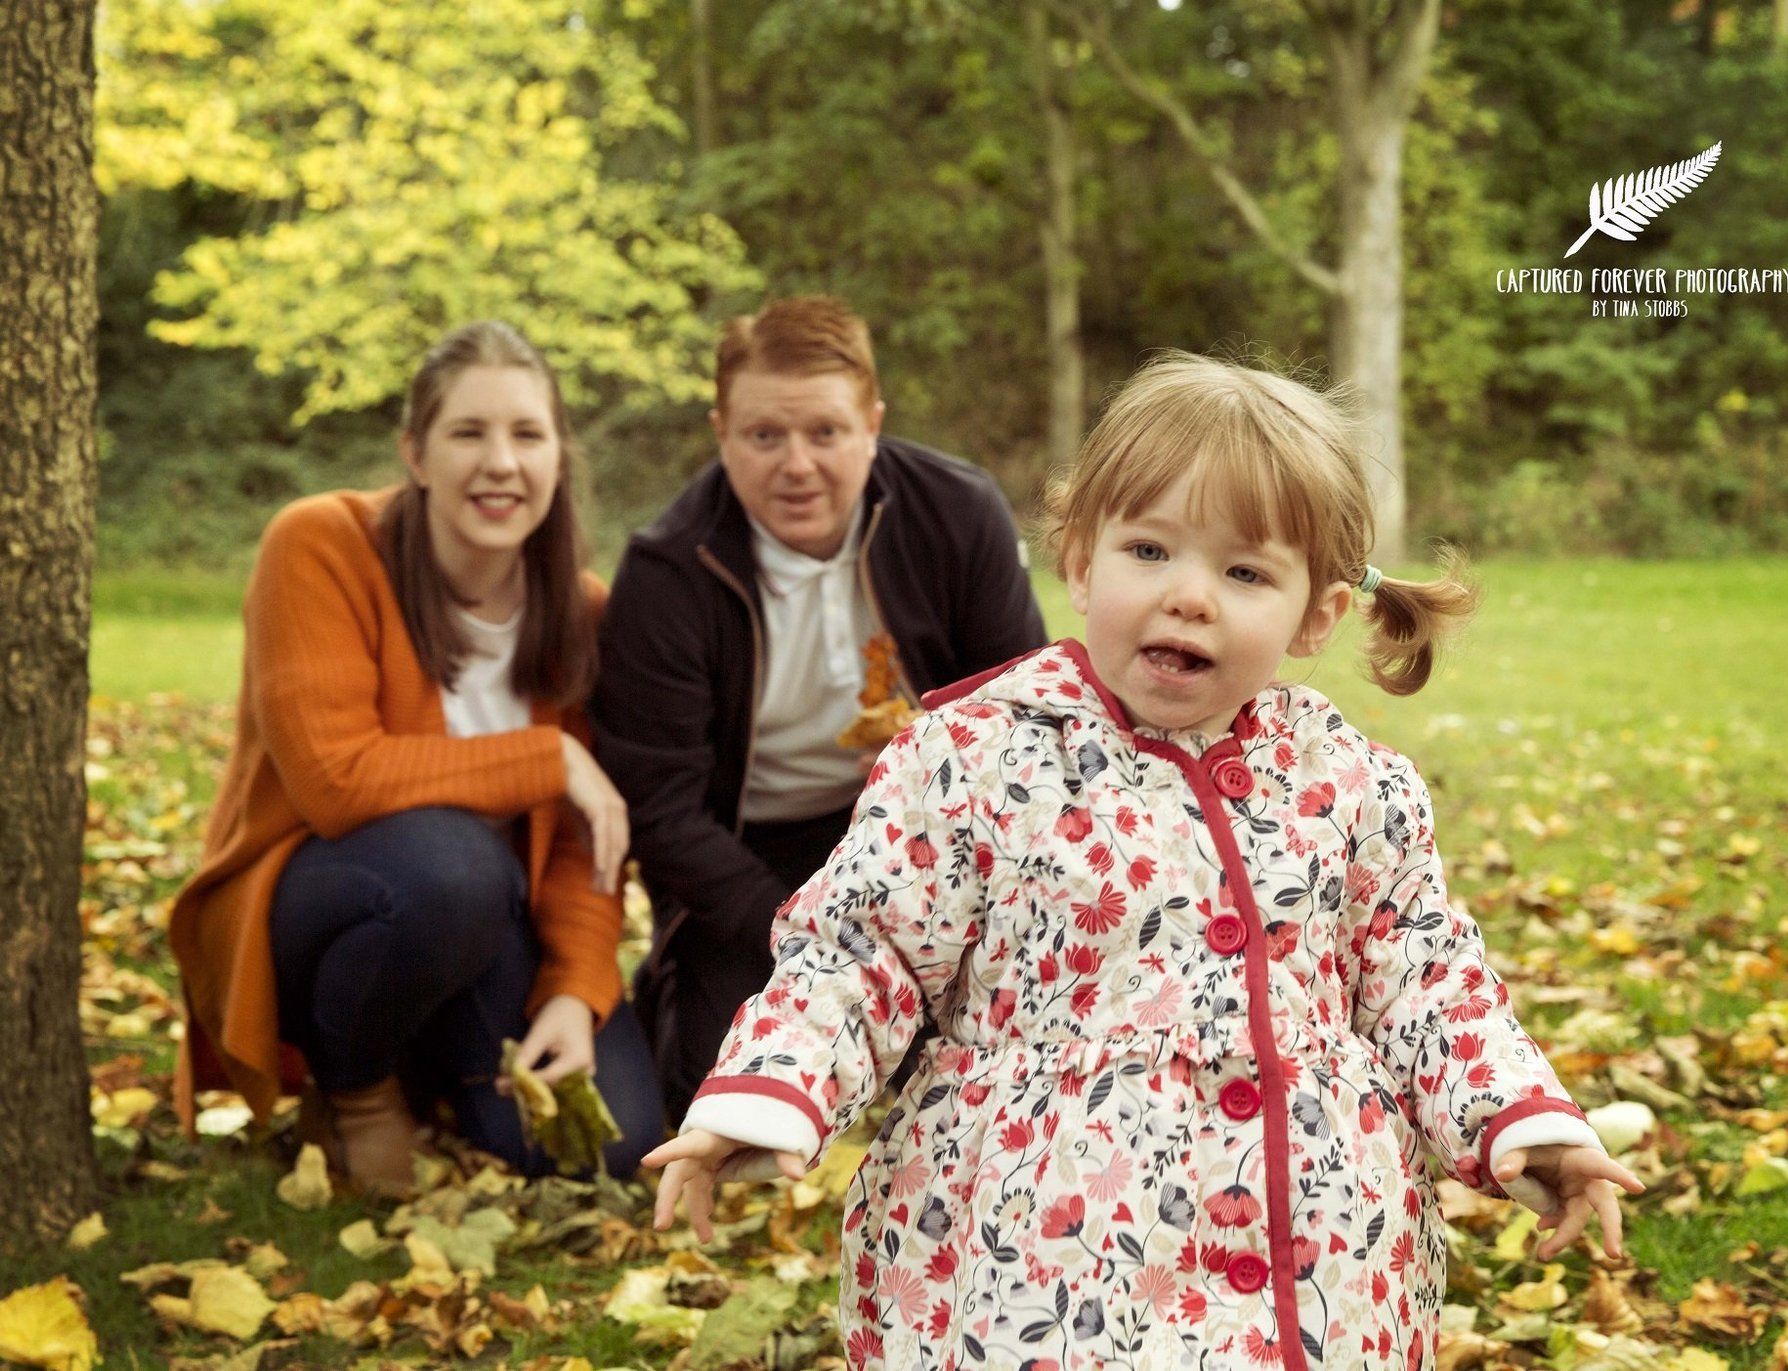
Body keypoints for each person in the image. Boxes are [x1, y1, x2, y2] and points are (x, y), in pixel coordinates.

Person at [643, 353, 1647, 1369]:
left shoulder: (1349, 783)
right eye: (1151, 550)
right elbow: (864, 950)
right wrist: (771, 1086)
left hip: (1313, 1241)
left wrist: (1519, 1115)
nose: (1190, 597)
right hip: (1040, 1247)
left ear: (1316, 615)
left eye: (1244, 572)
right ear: (1081, 563)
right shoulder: (974, 757)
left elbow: (1425, 980)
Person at [169, 321, 664, 1197]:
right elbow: (335, 782)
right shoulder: (320, 545)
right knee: (451, 866)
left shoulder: (584, 611)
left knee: (604, 1151)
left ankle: (432, 1069)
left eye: (526, 434)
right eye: (468, 433)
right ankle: (352, 1089)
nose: (500, 462)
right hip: (318, 901)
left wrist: (574, 992)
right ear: (416, 453)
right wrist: (545, 756)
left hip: (480, 926)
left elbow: (592, 839)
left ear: (558, 456)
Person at [590, 295, 1048, 1125]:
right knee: (720, 1096)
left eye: (826, 434)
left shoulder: (957, 510)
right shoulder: (667, 571)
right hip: (746, 853)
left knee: (987, 1068)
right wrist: (801, 930)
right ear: (721, 431)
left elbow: (1020, 724)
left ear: (872, 423)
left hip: (916, 827)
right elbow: (659, 806)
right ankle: (684, 996)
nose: (796, 464)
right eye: (765, 436)